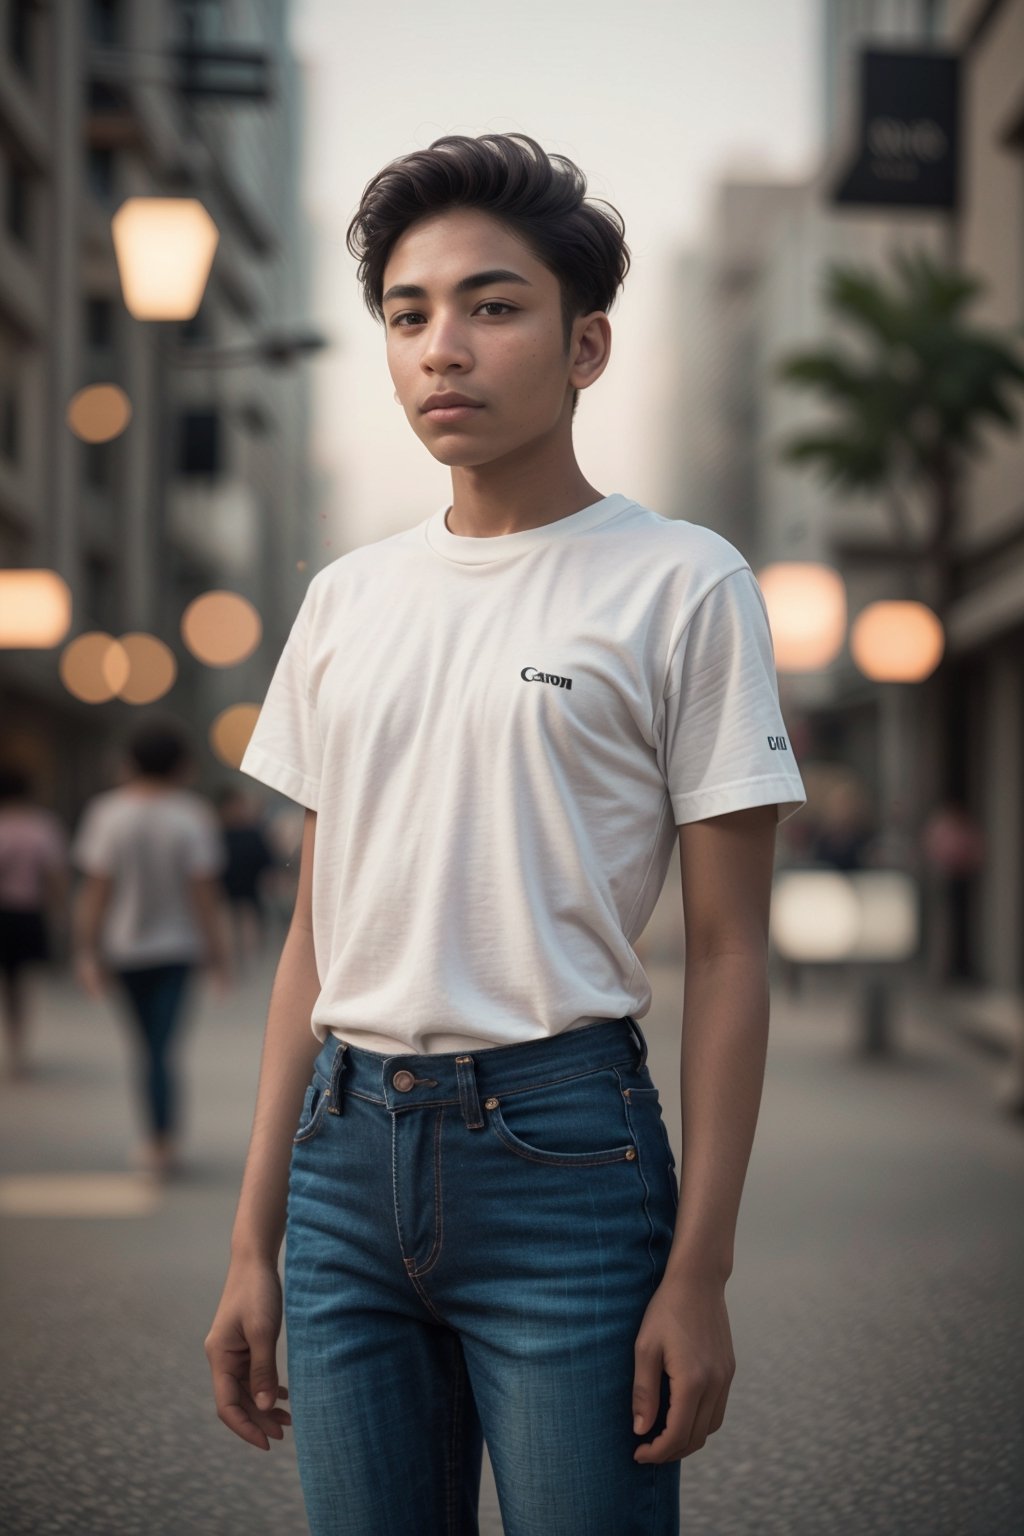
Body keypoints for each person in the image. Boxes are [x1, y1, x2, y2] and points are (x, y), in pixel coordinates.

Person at [204, 132, 807, 1535]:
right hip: (344, 1164)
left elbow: (728, 952)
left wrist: (700, 1271)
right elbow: (315, 934)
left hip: (566, 1159)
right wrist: (255, 1243)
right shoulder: (348, 600)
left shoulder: (682, 583)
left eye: (492, 306)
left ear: (586, 344)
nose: (442, 349)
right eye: (409, 317)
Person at [71, 720, 231, 1179]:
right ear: (180, 764)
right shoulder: (193, 815)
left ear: (130, 761)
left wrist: (86, 952)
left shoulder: (106, 813)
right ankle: (162, 1142)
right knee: (162, 1049)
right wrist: (220, 958)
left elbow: (96, 891)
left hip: (123, 950)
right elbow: (205, 894)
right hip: (178, 950)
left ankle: (156, 1139)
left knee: (146, 1048)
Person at [0, 766, 69, 1080]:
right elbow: (55, 877)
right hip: (27, 913)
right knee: (19, 986)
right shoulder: (42, 825)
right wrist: (60, 915)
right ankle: (18, 1048)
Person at [214, 786, 277, 972]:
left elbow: (265, 858)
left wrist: (271, 878)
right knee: (230, 924)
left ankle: (252, 959)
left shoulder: (252, 832)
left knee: (250, 921)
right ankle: (237, 959)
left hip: (250, 885)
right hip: (227, 887)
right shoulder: (216, 833)